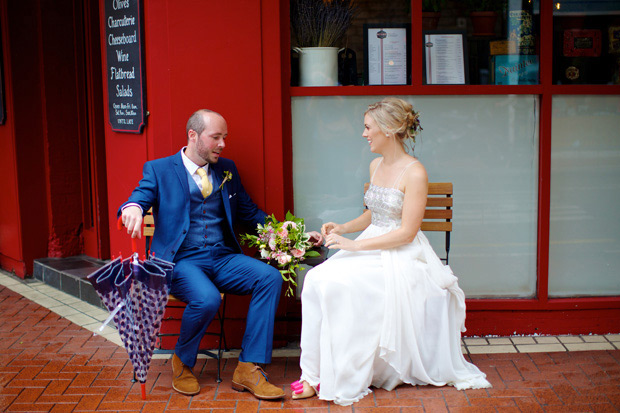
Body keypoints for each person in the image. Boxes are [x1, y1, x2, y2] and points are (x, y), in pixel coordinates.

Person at [290, 97, 492, 406]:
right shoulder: (375, 165)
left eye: (368, 127)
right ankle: (313, 374)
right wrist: (343, 228)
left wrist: (356, 246)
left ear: (387, 129)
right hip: (372, 241)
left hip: (401, 252)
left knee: (336, 285)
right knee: (316, 280)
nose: (364, 134)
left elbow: (406, 232)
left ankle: (343, 373)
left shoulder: (415, 172)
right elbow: (375, 213)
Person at [120, 109, 322, 399]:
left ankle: (248, 367)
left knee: (269, 277)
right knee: (207, 298)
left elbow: (250, 213)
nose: (223, 144)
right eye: (216, 137)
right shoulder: (160, 169)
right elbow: (140, 196)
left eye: (224, 137)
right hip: (182, 261)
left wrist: (292, 233)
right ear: (193, 135)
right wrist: (133, 208)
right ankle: (183, 361)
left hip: (223, 257)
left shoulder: (228, 169)